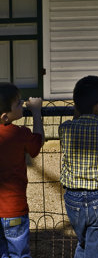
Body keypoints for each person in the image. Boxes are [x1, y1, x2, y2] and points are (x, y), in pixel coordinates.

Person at [59, 76, 98, 258]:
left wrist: (79, 111)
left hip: (73, 199)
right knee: (97, 249)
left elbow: (73, 122)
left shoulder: (65, 129)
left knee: (84, 243)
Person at [0, 82, 44, 258]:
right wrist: (36, 111)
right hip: (14, 210)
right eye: (18, 103)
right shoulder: (19, 134)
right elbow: (37, 143)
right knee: (19, 254)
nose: (23, 104)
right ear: (5, 117)